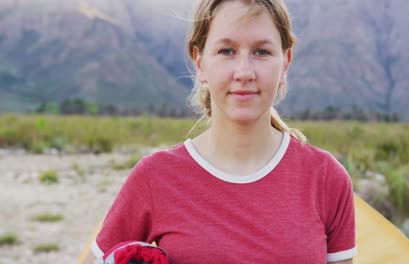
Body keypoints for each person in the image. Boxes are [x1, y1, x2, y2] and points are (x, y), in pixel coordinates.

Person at [83, 0, 356, 263]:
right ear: (199, 61)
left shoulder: (326, 179)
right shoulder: (155, 177)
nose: (244, 72)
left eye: (262, 51)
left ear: (285, 62)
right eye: (227, 51)